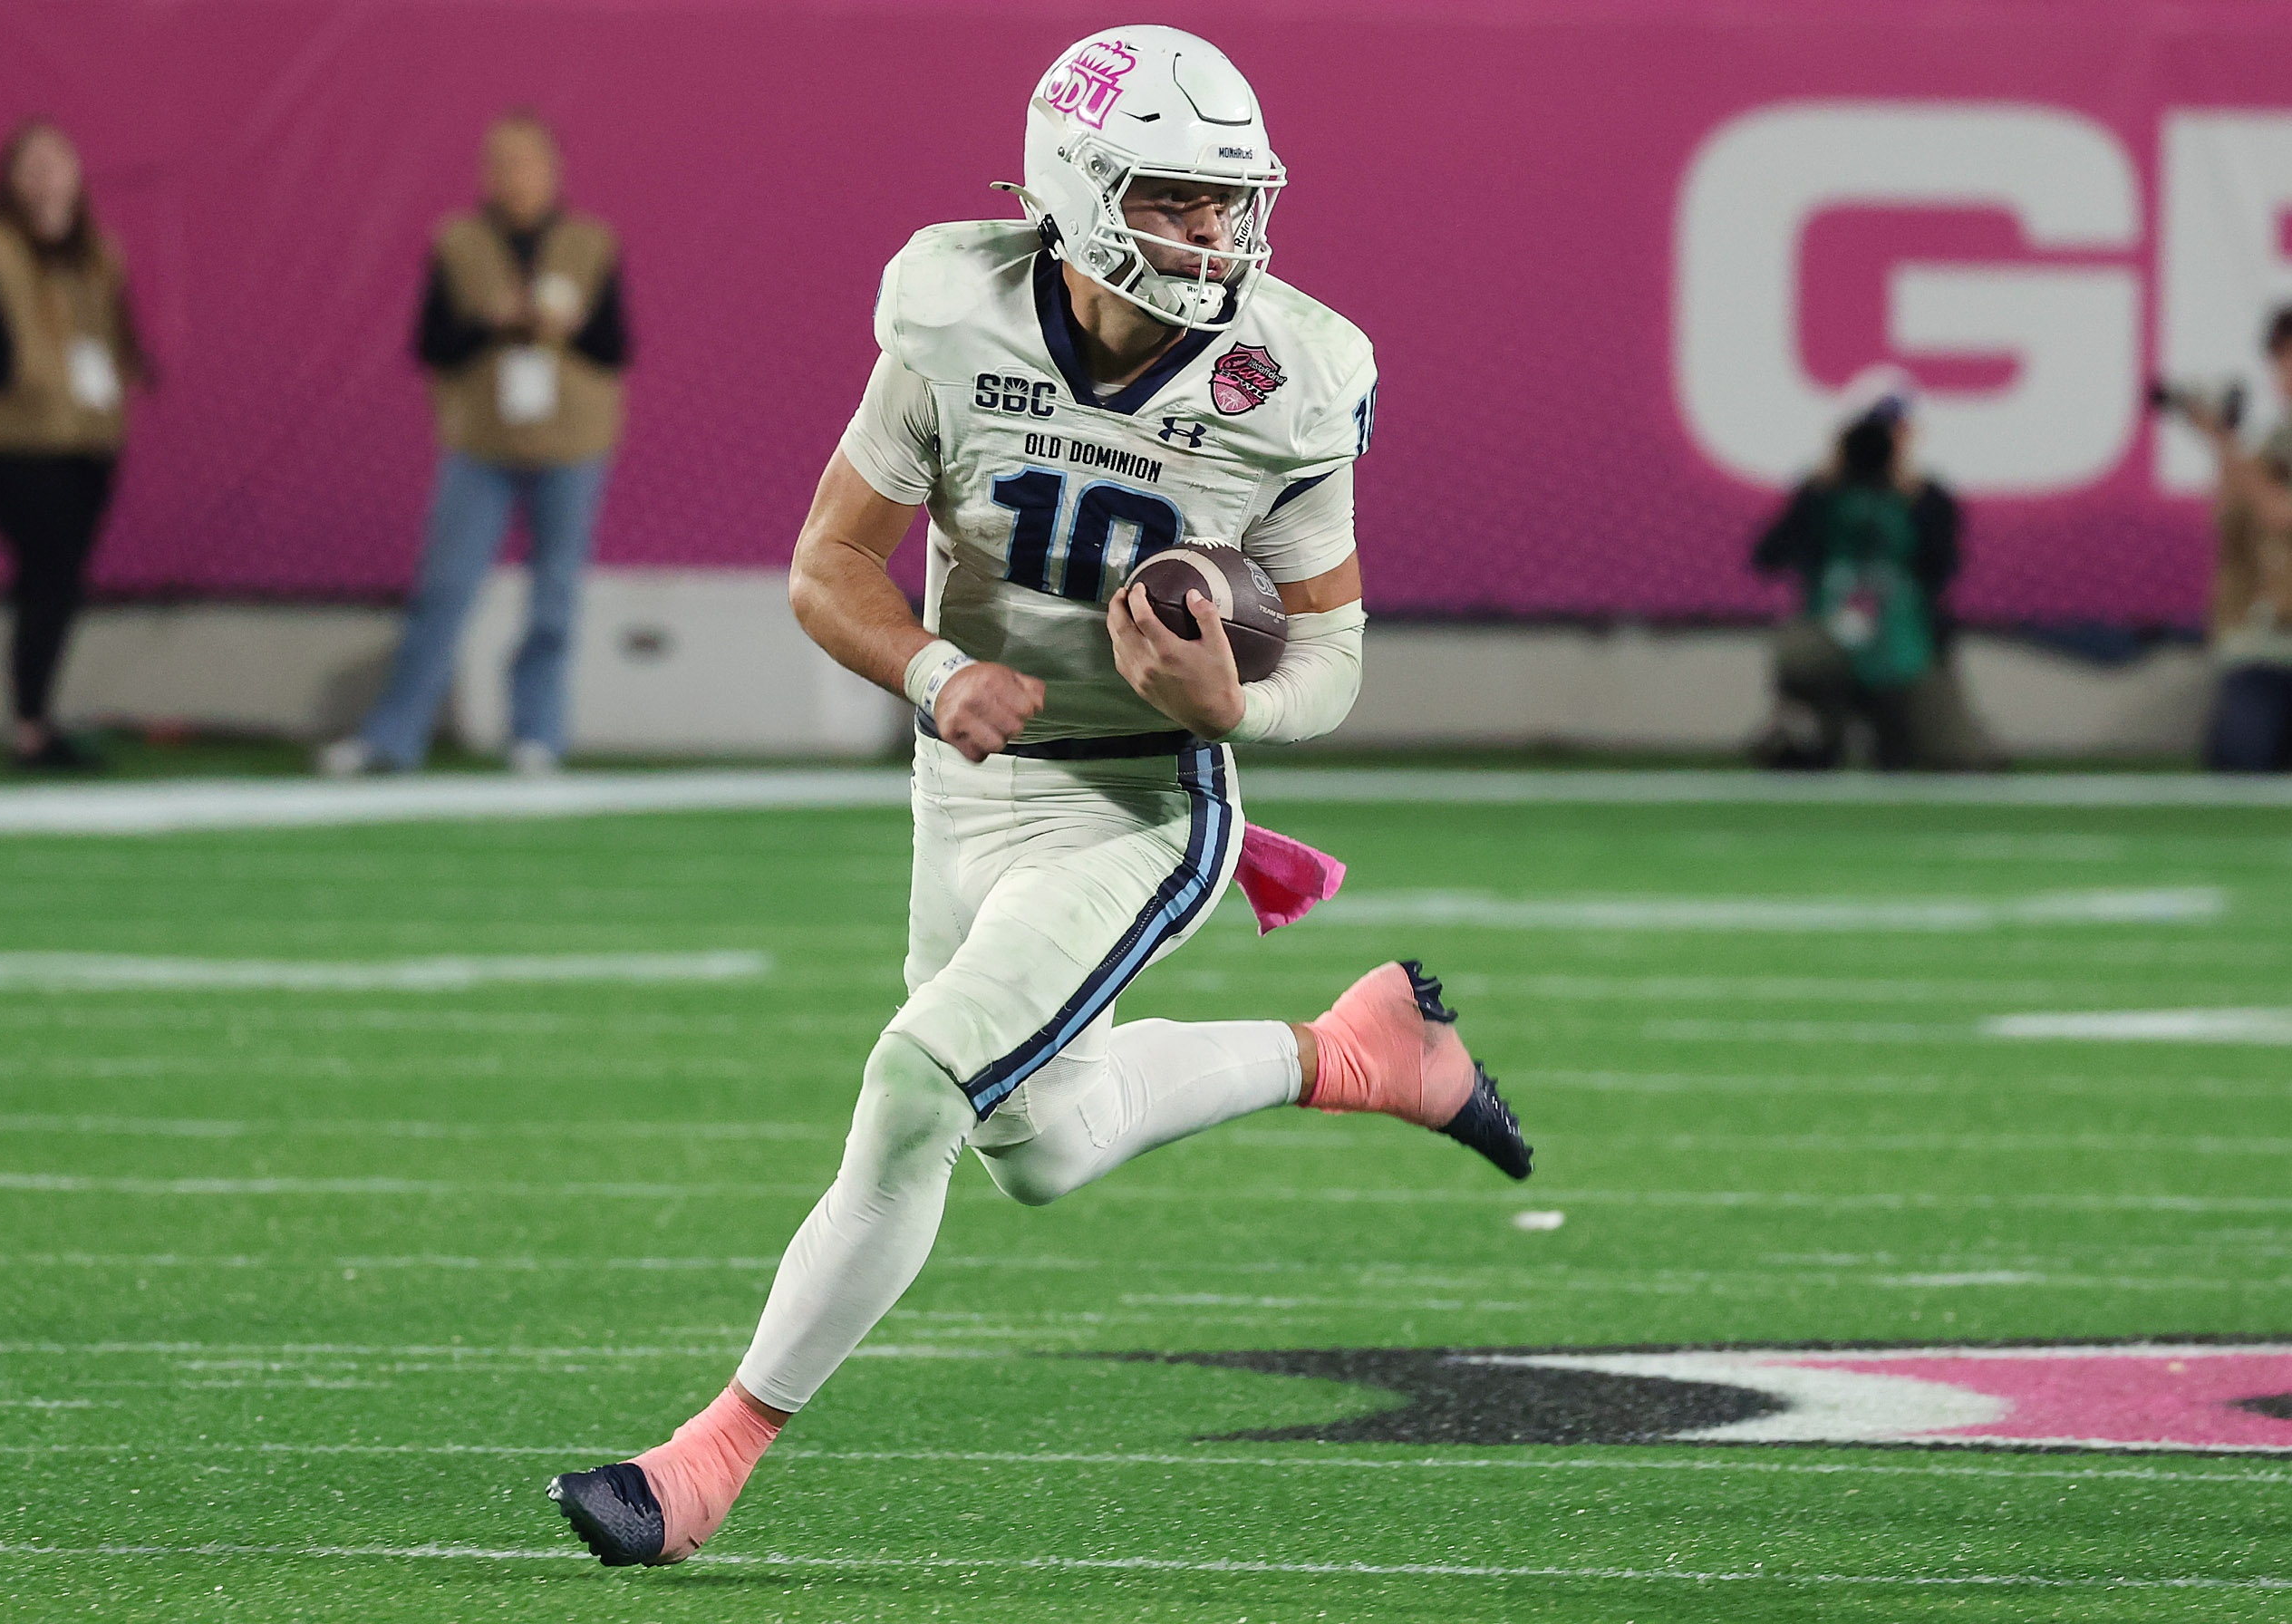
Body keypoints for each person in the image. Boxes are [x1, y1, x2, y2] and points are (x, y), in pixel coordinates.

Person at [545, 26, 1533, 1568]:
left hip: (1141, 810)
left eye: (1231, 203)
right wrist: (939, 674)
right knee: (1046, 1142)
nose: (1217, 237)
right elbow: (827, 566)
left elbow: (1329, 653)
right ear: (1078, 191)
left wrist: (1240, 706)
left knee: (916, 1087)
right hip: (968, 777)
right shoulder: (956, 311)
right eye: (1177, 200)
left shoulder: (1292, 376)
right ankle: (1354, 1051)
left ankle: (702, 1461)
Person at [320, 112, 630, 777]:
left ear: (553, 169)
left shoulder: (591, 243)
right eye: (500, 163)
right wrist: (490, 323)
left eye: (526, 162)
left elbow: (615, 348)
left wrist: (564, 326)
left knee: (553, 596)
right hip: (481, 441)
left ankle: (537, 734)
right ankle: (395, 736)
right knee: (446, 588)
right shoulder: (458, 242)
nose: (513, 177)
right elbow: (431, 346)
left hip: (571, 442)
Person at [0, 121, 148, 770]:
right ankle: (31, 727)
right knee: (50, 569)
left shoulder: (98, 252)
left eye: (60, 163)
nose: (48, 177)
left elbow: (112, 328)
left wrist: (126, 370)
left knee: (57, 579)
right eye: (34, 165)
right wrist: (9, 376)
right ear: (11, 178)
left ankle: (35, 718)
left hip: (87, 437)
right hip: (7, 441)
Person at [1749, 375, 1994, 770]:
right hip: (1831, 643)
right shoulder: (1819, 494)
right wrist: (1820, 492)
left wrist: (1910, 501)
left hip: (1905, 651)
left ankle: (1900, 734)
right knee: (1801, 662)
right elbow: (1767, 556)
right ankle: (1813, 732)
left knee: (1955, 760)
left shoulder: (1928, 498)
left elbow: (1943, 569)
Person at [2169, 308, 2292, 771]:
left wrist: (2221, 442)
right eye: (2283, 359)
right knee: (2239, 766)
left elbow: (2280, 515)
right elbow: (2230, 527)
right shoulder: (2270, 447)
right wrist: (2227, 448)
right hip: (2264, 642)